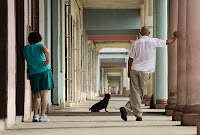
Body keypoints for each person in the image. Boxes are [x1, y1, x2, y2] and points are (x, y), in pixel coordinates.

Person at [120, 26, 178, 121]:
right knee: (140, 93)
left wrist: (129, 71)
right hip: (145, 72)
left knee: (136, 93)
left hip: (135, 69)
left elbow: (130, 59)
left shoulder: (136, 43)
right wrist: (175, 37)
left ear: (140, 33)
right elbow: (168, 42)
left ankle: (126, 109)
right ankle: (138, 115)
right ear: (149, 33)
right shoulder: (153, 41)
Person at [23, 32, 55, 122]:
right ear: (38, 39)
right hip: (44, 71)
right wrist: (47, 61)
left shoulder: (25, 49)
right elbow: (47, 51)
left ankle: (35, 115)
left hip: (33, 73)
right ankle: (42, 116)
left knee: (36, 95)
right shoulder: (39, 46)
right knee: (44, 94)